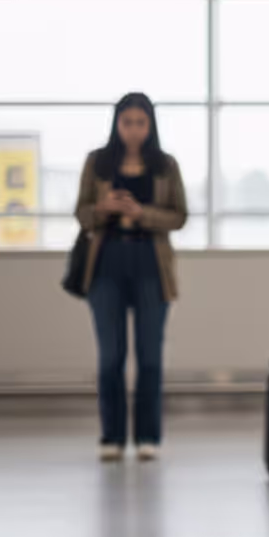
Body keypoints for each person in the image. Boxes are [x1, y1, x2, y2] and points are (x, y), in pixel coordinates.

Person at [74, 93, 190, 462]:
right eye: (128, 123)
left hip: (150, 264)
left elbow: (179, 216)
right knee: (110, 356)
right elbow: (81, 213)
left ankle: (148, 436)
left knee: (150, 356)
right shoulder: (97, 163)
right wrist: (103, 208)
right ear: (116, 124)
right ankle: (111, 436)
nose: (134, 131)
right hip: (106, 262)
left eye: (141, 123)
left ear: (151, 125)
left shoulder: (165, 165)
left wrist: (143, 213)